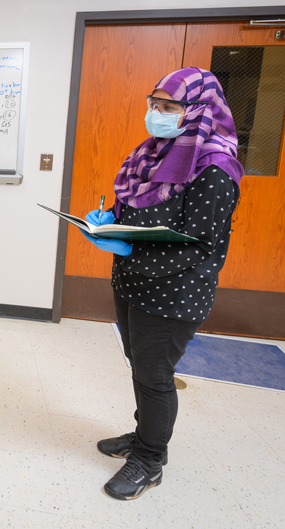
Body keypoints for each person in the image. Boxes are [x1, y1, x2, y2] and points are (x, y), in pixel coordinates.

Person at [80, 67, 244, 500]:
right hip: (133, 282)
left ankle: (151, 459)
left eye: (168, 107)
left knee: (155, 373)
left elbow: (198, 244)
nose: (155, 114)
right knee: (139, 364)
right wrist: (109, 224)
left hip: (175, 292)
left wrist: (130, 250)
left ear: (199, 111)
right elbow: (135, 210)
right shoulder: (151, 153)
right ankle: (143, 435)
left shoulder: (215, 168)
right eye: (153, 104)